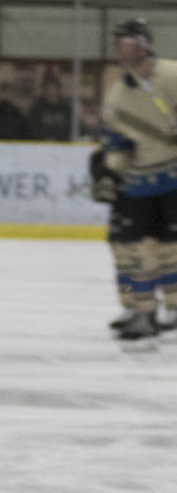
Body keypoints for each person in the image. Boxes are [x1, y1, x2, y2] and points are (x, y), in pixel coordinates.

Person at [94, 19, 177, 339]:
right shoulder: (116, 96)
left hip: (173, 179)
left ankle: (172, 308)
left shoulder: (171, 75)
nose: (117, 49)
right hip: (137, 184)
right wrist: (110, 173)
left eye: (124, 42)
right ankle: (138, 308)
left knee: (170, 252)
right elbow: (118, 145)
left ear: (143, 44)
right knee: (129, 250)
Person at [26, 73, 73, 142]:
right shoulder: (37, 108)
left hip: (62, 146)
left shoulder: (66, 108)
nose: (51, 91)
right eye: (48, 89)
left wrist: (59, 139)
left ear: (59, 90)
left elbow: (71, 128)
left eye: (54, 88)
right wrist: (44, 138)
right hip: (40, 146)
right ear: (44, 90)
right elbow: (32, 128)